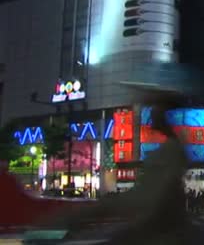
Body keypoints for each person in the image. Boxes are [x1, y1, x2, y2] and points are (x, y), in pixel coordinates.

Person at [38, 96, 191, 244]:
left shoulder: (170, 153)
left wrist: (90, 213)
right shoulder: (171, 150)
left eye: (156, 108)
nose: (151, 114)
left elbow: (146, 200)